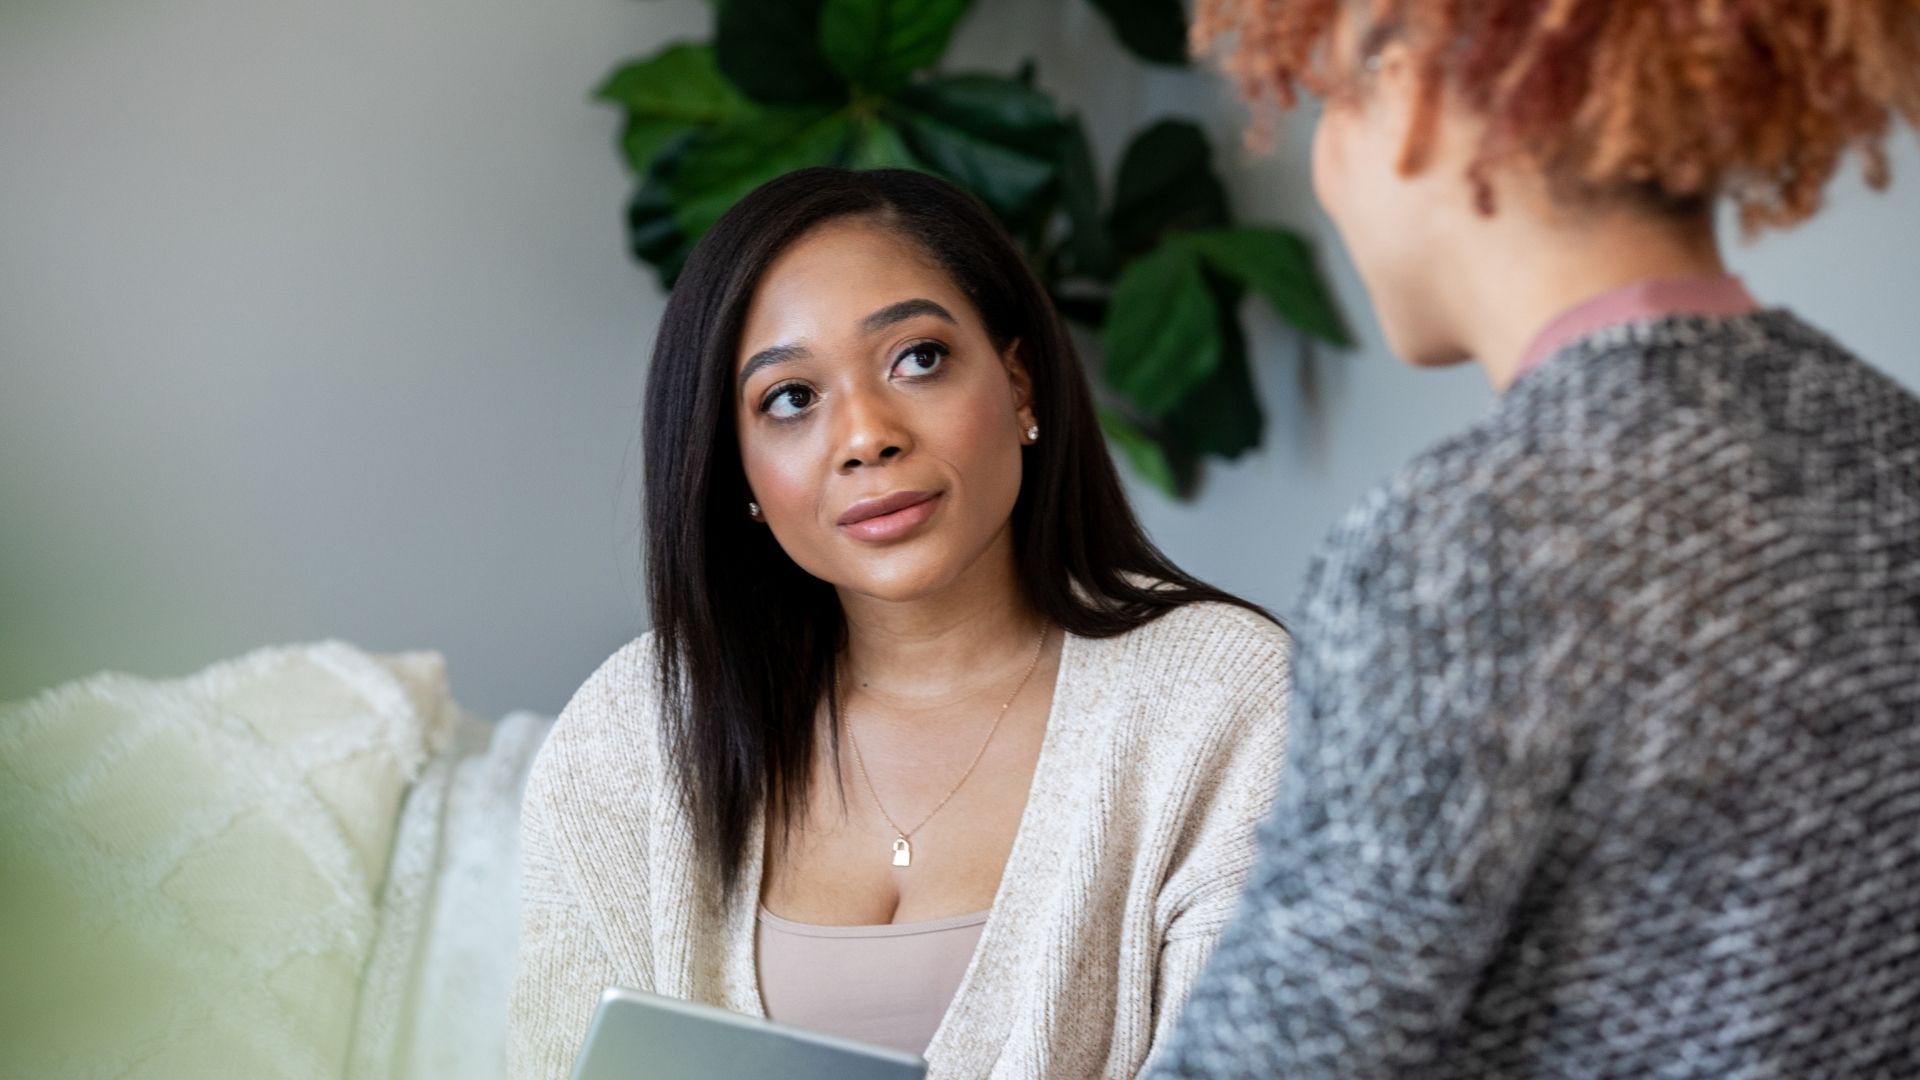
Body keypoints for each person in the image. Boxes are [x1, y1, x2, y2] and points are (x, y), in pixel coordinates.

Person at [1151, 1, 1920, 1076]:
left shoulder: (1464, 542)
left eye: (1325, 100)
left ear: (1410, 85)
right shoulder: (1896, 449)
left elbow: (1284, 1052)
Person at [507, 167, 1291, 1079]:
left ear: (1020, 384)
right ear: (740, 476)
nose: (866, 435)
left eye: (916, 358)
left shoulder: (1223, 700)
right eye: (790, 399)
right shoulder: (635, 730)